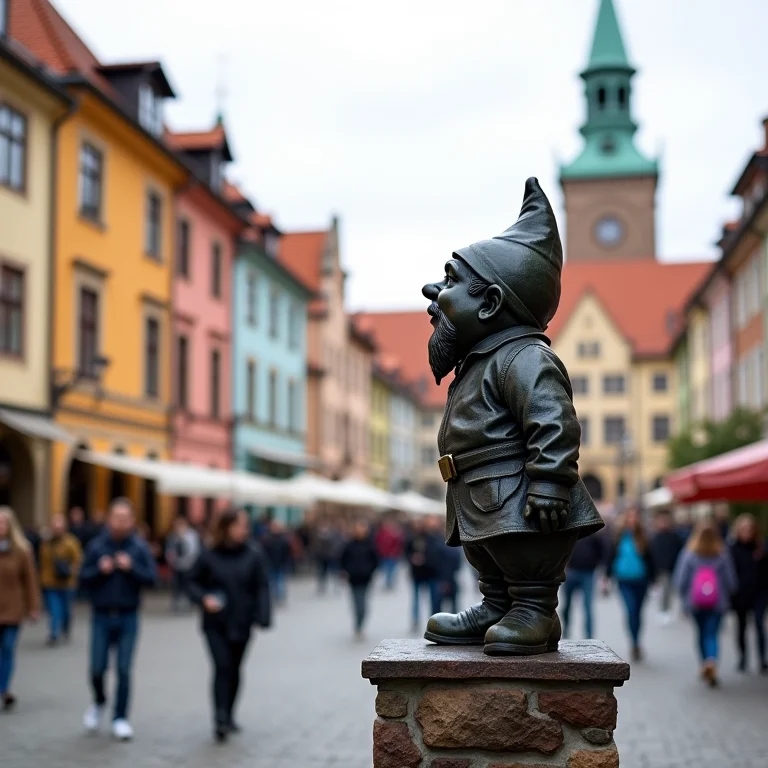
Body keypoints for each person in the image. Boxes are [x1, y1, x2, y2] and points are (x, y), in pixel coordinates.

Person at [187, 508, 271, 742]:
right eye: (240, 525)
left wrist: (263, 616)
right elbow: (191, 582)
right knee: (222, 666)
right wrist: (203, 598)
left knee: (235, 669)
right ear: (226, 527)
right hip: (216, 623)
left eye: (246, 526)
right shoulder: (209, 554)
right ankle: (220, 718)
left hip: (242, 622)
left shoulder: (254, 554)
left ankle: (230, 713)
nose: (245, 530)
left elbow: (262, 586)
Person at [79, 498, 157, 741]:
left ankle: (120, 717)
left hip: (128, 616)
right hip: (101, 615)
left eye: (126, 518)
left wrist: (132, 567)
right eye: (117, 517)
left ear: (132, 521)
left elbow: (152, 580)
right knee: (97, 668)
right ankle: (99, 701)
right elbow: (82, 579)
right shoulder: (96, 546)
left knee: (124, 669)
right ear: (109, 519)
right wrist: (98, 571)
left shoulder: (139, 547)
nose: (121, 523)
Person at [674, 520, 737, 687]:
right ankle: (711, 660)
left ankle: (704, 663)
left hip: (695, 602)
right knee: (712, 634)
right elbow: (731, 581)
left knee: (701, 633)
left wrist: (682, 598)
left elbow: (681, 580)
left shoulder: (689, 553)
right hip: (718, 602)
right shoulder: (722, 554)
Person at [0, 506, 40, 711]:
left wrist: (33, 607)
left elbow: (30, 581)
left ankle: (4, 688)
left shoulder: (22, 550)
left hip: (13, 608)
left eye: (3, 523)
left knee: (7, 648)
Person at [606, 509, 655, 661]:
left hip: (641, 580)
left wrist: (654, 578)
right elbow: (611, 556)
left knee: (638, 613)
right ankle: (634, 642)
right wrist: (607, 576)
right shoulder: (618, 537)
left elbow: (650, 559)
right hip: (624, 580)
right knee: (631, 610)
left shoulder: (643, 538)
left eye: (634, 518)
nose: (632, 521)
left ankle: (636, 640)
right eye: (629, 518)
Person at [729, 514, 768, 673]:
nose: (747, 532)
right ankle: (743, 657)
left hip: (759, 592)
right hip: (741, 594)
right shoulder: (732, 548)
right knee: (742, 626)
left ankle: (762, 659)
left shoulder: (761, 547)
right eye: (744, 529)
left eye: (749, 529)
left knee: (759, 624)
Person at [39, 514, 82, 644]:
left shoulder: (71, 542)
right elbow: (42, 562)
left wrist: (72, 572)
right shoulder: (46, 543)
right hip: (50, 582)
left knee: (66, 610)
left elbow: (78, 560)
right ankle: (54, 633)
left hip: (67, 582)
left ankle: (65, 628)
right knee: (54, 609)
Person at [560, 530, 604, 639]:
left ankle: (589, 636)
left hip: (588, 573)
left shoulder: (593, 535)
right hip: (571, 571)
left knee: (588, 606)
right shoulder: (569, 533)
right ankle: (566, 629)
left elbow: (601, 551)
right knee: (567, 605)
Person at [339, 521, 379, 638]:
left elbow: (375, 560)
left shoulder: (370, 544)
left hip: (366, 578)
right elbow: (343, 559)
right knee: (356, 602)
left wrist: (371, 570)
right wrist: (345, 570)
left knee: (363, 603)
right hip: (353, 577)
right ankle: (357, 623)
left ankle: (360, 621)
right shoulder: (349, 544)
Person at [405, 517, 441, 631]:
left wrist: (424, 559)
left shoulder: (435, 538)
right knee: (416, 598)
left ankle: (434, 620)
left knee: (433, 598)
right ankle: (416, 620)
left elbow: (437, 554)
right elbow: (406, 552)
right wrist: (412, 559)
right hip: (418, 573)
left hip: (431, 572)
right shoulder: (413, 538)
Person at [649, 510, 683, 625]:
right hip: (660, 568)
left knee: (667, 590)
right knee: (664, 590)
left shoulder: (674, 537)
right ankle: (663, 610)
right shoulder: (655, 537)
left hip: (671, 568)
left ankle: (665, 610)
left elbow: (680, 551)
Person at [164, 516, 201, 611]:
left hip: (189, 565)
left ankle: (190, 601)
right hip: (177, 565)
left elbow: (193, 551)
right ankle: (176, 603)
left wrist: (182, 539)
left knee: (187, 584)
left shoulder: (191, 536)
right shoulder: (173, 536)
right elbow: (169, 550)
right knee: (176, 585)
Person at [261, 520, 293, 605]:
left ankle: (279, 597)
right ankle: (274, 597)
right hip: (270, 563)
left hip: (280, 563)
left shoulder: (283, 539)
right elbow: (264, 551)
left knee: (279, 581)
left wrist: (285, 561)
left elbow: (287, 552)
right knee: (272, 581)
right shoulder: (267, 538)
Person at [314, 523, 344, 594]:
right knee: (322, 573)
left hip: (331, 557)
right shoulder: (319, 538)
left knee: (333, 573)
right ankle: (322, 587)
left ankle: (335, 587)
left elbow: (337, 546)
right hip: (323, 558)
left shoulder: (332, 537)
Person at [434, 538, 462, 614]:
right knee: (453, 603)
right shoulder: (456, 551)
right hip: (451, 578)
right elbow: (457, 566)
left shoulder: (440, 548)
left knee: (438, 603)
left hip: (442, 579)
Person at [375, 518, 405, 591]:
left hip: (392, 555)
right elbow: (377, 543)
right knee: (387, 570)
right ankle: (388, 583)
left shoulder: (395, 534)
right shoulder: (381, 533)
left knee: (391, 570)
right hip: (385, 555)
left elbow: (399, 543)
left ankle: (389, 583)